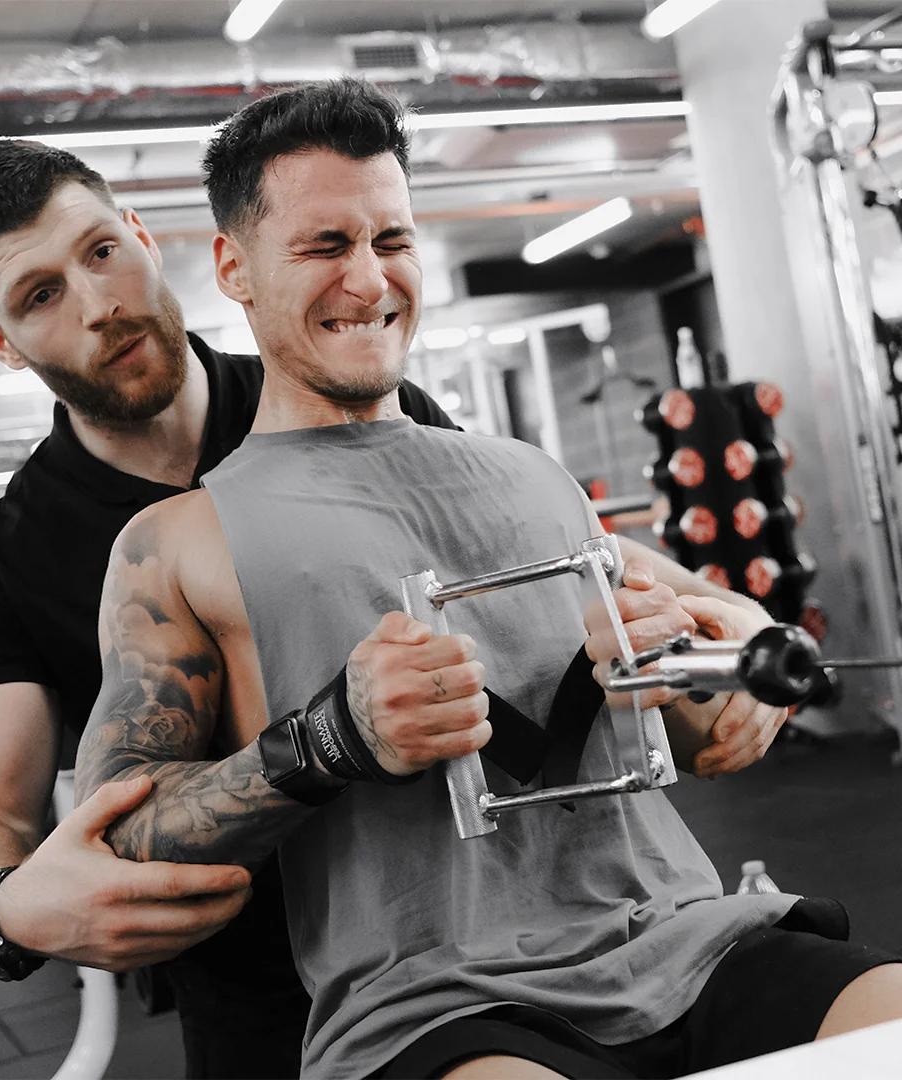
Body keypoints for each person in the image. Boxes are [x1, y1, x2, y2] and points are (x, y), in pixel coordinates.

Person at [74, 78, 902, 1079]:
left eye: (392, 240)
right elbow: (117, 842)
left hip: (696, 940)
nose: (371, 281)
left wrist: (698, 696)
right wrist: (330, 740)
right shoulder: (176, 542)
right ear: (233, 268)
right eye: (325, 246)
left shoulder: (534, 477)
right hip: (436, 1004)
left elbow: (676, 732)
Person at [0, 137, 462, 1078]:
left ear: (139, 233)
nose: (99, 304)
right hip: (254, 980)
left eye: (98, 251)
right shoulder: (14, 550)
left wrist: (709, 617)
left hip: (463, 916)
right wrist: (3, 911)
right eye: (40, 295)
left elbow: (525, 546)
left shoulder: (346, 395)